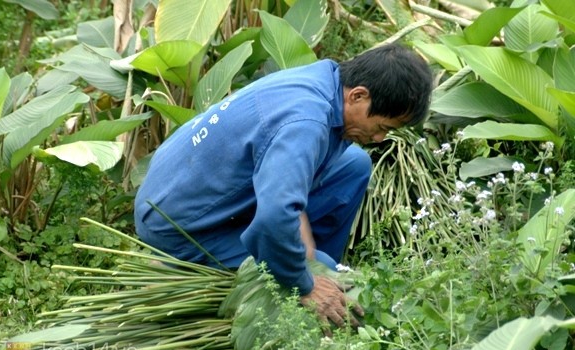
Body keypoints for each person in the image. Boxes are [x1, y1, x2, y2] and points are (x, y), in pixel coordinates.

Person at [134, 43, 433, 329]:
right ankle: (310, 286)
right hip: (178, 223)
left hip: (192, 186)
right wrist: (303, 282)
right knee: (327, 275)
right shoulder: (305, 122)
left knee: (353, 165)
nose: (380, 139)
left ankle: (316, 271)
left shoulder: (325, 79)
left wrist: (305, 252)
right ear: (357, 95)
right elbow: (275, 216)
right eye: (382, 128)